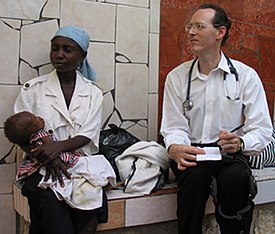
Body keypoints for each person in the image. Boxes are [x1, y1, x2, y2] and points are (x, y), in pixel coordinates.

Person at [160, 3, 273, 234]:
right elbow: (173, 126)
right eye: (189, 27)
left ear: (220, 32)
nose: (191, 32)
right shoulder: (178, 77)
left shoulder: (245, 76)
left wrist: (241, 143)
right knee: (194, 177)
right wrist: (176, 147)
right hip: (192, 152)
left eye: (199, 26)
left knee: (236, 179)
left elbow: (262, 129)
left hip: (229, 154)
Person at [13, 25, 113, 234]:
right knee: (52, 208)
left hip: (80, 164)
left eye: (67, 49)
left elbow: (88, 134)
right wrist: (48, 155)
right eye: (55, 48)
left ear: (82, 55)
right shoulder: (33, 89)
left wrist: (57, 149)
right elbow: (19, 132)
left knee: (89, 210)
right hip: (40, 165)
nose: (59, 54)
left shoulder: (93, 93)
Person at [4, 111, 116, 210]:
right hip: (58, 160)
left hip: (52, 159)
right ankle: (104, 179)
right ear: (31, 130)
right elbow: (49, 145)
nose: (40, 118)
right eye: (37, 120)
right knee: (94, 165)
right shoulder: (40, 134)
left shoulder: (32, 137)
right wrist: (54, 155)